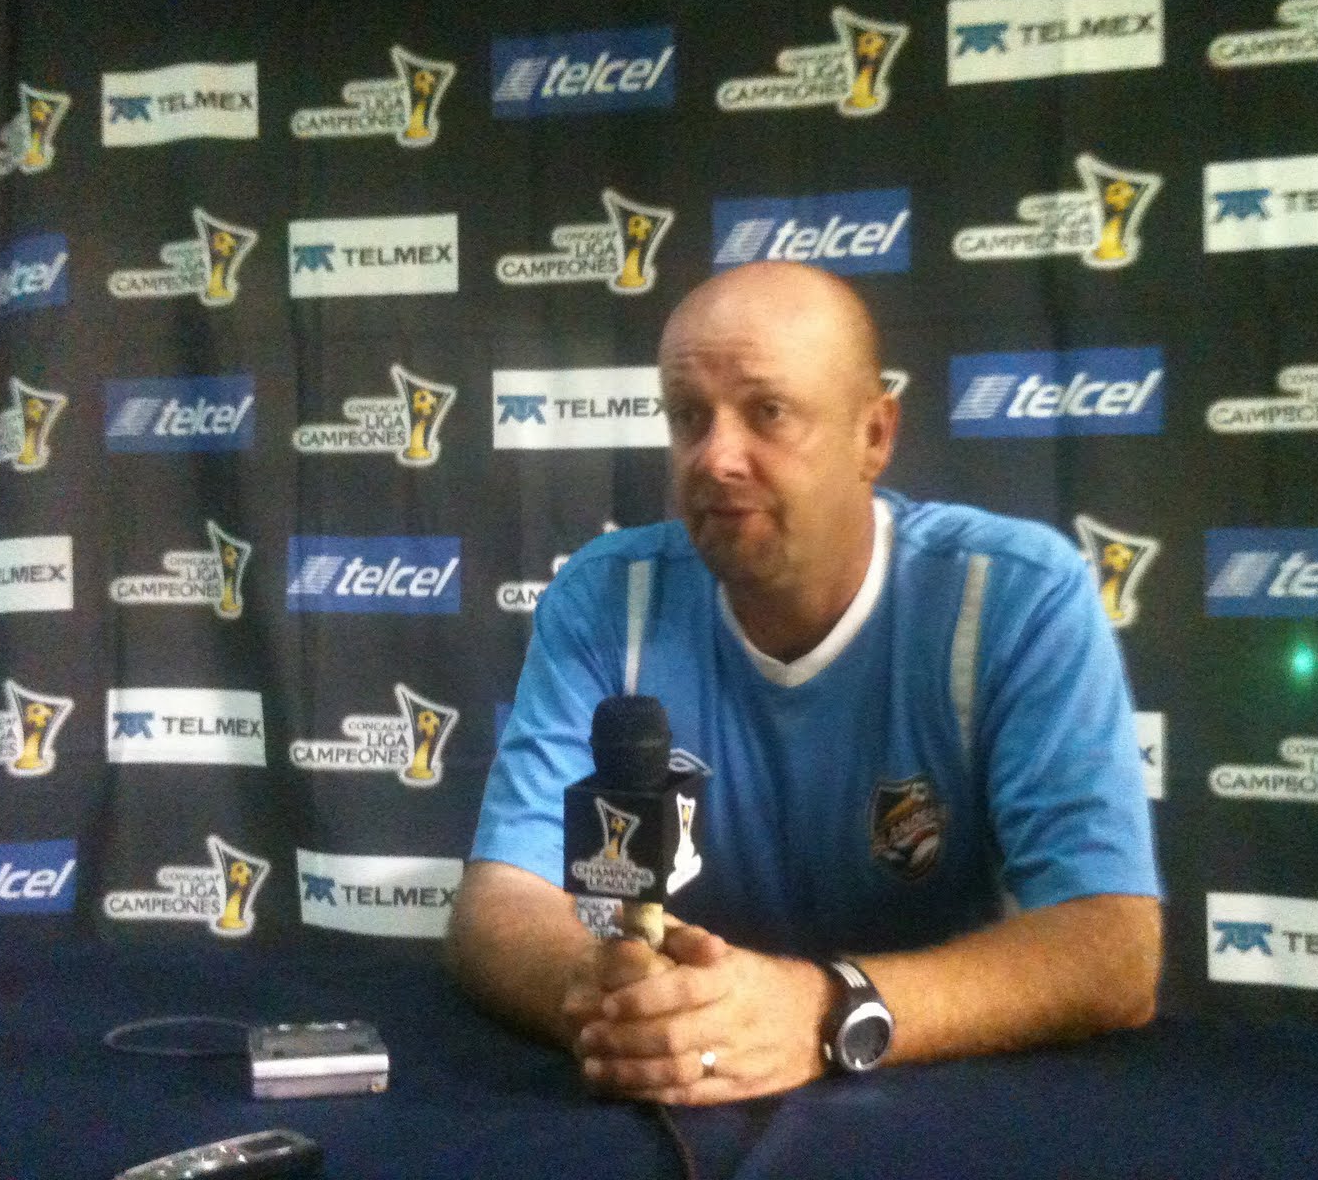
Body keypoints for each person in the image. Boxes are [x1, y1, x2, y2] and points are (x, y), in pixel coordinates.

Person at [445, 261, 1162, 1106]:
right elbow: (501, 901)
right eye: (689, 416)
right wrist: (611, 999)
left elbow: (1112, 946)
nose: (717, 457)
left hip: (934, 1102)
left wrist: (822, 1009)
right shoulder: (607, 597)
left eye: (768, 412)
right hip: (681, 1099)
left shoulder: (1012, 594)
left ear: (874, 436)